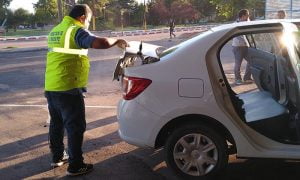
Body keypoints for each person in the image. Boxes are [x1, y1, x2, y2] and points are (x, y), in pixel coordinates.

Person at [45, 4, 128, 176]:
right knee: (75, 127)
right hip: (68, 87)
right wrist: (116, 41)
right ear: (82, 17)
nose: (88, 24)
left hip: (51, 86)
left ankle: (57, 157)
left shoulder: (57, 30)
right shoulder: (75, 30)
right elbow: (100, 42)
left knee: (56, 123)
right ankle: (75, 165)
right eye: (89, 20)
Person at [232, 9, 252, 85]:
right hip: (238, 47)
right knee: (238, 63)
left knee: (251, 61)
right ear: (243, 16)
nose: (248, 16)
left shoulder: (247, 22)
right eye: (247, 15)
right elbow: (240, 36)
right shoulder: (236, 24)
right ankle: (238, 79)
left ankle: (247, 78)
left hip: (246, 46)